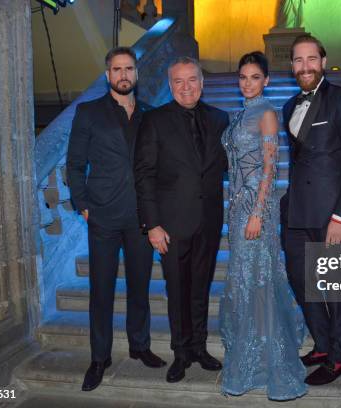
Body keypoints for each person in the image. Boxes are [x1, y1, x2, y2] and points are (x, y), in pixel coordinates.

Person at [66, 46, 166, 392]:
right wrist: (83, 205)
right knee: (102, 290)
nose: (123, 75)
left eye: (129, 69)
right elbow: (75, 164)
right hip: (103, 216)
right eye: (117, 69)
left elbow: (156, 167)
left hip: (140, 216)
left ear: (136, 74)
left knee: (139, 286)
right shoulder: (88, 112)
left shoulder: (151, 115)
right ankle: (99, 358)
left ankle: (140, 346)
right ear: (108, 74)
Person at [134, 56, 229, 383]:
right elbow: (144, 175)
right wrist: (152, 224)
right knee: (177, 289)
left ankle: (200, 347)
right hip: (171, 224)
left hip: (209, 220)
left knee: (201, 287)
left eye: (192, 80)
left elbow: (229, 164)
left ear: (202, 83)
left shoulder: (220, 118)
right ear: (170, 84)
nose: (186, 87)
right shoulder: (154, 120)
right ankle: (181, 352)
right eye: (179, 81)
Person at [280, 35, 341, 386]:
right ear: (291, 66)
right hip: (296, 213)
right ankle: (321, 343)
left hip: (331, 213)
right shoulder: (289, 107)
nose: (305, 66)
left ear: (323, 60)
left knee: (334, 287)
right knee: (301, 282)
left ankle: (338, 358)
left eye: (311, 59)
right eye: (299, 61)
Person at [219, 51, 307, 400]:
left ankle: (266, 358)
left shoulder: (268, 113)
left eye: (255, 77)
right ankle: (250, 350)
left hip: (257, 210)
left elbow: (271, 169)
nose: (248, 82)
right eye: (243, 77)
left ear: (266, 80)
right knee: (246, 278)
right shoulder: (240, 113)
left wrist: (257, 213)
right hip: (238, 208)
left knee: (258, 279)